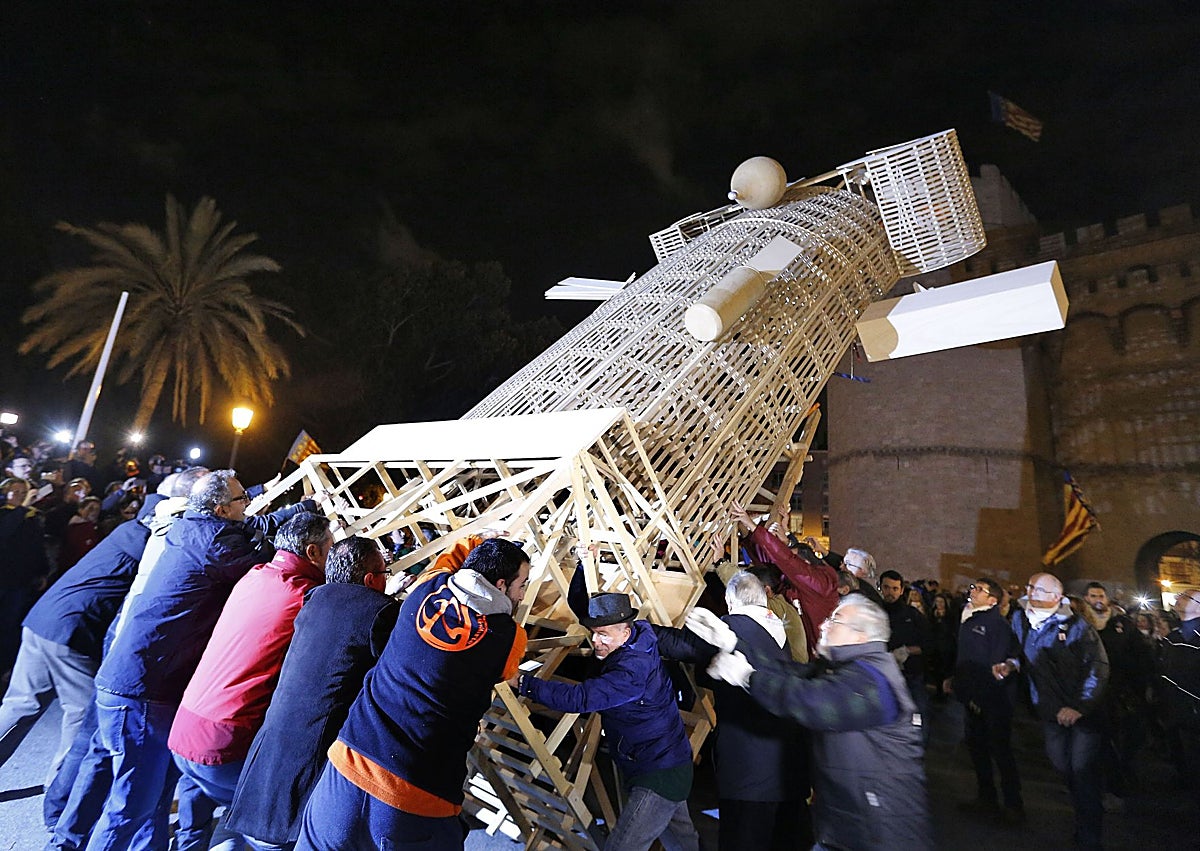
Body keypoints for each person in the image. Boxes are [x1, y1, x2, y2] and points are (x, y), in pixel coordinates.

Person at [84, 470, 324, 850]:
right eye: (242, 499)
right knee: (131, 805)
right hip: (145, 688)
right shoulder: (218, 544)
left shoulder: (199, 527)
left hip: (143, 682)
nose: (248, 504)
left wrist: (302, 507)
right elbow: (272, 555)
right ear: (221, 508)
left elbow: (256, 525)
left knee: (153, 798)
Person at [298, 536, 529, 850]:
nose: (523, 594)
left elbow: (451, 557)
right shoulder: (509, 638)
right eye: (522, 585)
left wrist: (480, 541)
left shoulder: (426, 588)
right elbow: (505, 670)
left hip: (345, 770)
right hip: (414, 797)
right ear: (501, 586)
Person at [692, 595, 932, 850]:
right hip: (853, 823)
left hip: (879, 831)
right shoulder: (847, 668)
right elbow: (786, 672)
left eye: (835, 620)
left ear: (861, 636)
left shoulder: (872, 681)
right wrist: (732, 642)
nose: (823, 625)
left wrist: (747, 677)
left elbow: (808, 700)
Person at [168, 511, 335, 851]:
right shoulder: (304, 597)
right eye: (331, 548)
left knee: (199, 824)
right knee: (274, 828)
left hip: (185, 729)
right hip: (224, 742)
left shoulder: (255, 575)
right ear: (314, 552)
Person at [225, 537, 400, 851]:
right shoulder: (380, 610)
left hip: (271, 752)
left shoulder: (314, 597)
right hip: (308, 764)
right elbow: (394, 667)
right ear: (372, 579)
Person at [510, 566, 701, 851]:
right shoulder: (641, 633)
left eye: (603, 635)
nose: (595, 641)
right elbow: (582, 606)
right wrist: (583, 563)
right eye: (593, 633)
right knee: (683, 842)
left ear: (625, 633)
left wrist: (524, 683)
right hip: (666, 760)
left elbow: (580, 699)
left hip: (658, 772)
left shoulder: (631, 672)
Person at [0, 488, 164, 785]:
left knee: (20, 704)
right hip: (69, 629)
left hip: (42, 618)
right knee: (82, 713)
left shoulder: (127, 532)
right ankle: (59, 789)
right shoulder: (143, 542)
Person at [999, 572, 1109, 851]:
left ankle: (1089, 835)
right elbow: (1020, 652)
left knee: (1081, 771)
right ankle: (1086, 807)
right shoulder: (1020, 618)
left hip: (1082, 713)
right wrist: (1011, 664)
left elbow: (1098, 667)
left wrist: (1080, 706)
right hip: (1049, 709)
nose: (1028, 591)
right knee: (1063, 766)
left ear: (1055, 597)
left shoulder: (1078, 627)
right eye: (1029, 585)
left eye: (1035, 588)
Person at [946, 578, 1023, 821]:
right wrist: (956, 680)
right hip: (973, 696)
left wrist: (982, 696)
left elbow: (995, 663)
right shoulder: (969, 618)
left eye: (981, 589)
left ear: (993, 600)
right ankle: (986, 798)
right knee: (977, 749)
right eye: (974, 587)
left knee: (1000, 751)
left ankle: (1013, 805)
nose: (974, 591)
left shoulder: (995, 624)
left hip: (993, 699)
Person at [731, 500, 838, 658]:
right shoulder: (792, 585)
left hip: (824, 658)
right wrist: (746, 532)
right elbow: (769, 567)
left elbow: (787, 561)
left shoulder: (822, 582)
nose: (789, 566)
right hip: (806, 656)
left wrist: (753, 527)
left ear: (806, 561)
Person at [1081, 581, 1154, 803]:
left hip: (1118, 693)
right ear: (1086, 599)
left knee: (1115, 741)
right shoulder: (1079, 624)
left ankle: (1116, 785)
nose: (1098, 599)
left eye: (1101, 595)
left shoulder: (1121, 624)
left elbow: (1140, 655)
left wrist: (1140, 685)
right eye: (1093, 596)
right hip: (1089, 693)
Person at [1160, 586, 1200, 795]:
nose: (1179, 598)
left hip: (1194, 711)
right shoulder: (1172, 637)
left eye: (1185, 597)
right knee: (1182, 755)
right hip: (1175, 710)